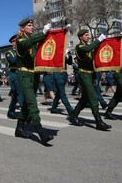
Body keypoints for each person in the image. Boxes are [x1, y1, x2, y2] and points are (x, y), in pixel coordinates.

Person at [14, 17, 53, 145]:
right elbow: (26, 45)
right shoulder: (19, 40)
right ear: (23, 28)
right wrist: (42, 33)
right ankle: (41, 132)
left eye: (32, 25)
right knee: (32, 102)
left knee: (26, 103)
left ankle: (19, 128)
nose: (32, 27)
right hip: (24, 74)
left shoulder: (33, 40)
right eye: (29, 25)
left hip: (34, 74)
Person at [68, 29, 112, 131]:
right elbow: (87, 49)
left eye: (88, 35)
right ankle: (98, 122)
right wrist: (99, 40)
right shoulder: (79, 47)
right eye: (86, 35)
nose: (88, 36)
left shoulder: (89, 47)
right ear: (80, 37)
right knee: (93, 96)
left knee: (85, 99)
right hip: (83, 74)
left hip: (90, 74)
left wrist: (95, 77)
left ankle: (74, 116)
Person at [51, 48, 75, 118]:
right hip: (58, 75)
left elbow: (69, 62)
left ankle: (53, 108)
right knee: (62, 94)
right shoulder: (55, 55)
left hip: (63, 75)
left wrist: (69, 55)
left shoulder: (63, 56)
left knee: (58, 93)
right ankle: (70, 111)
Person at [5, 34, 24, 119]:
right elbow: (13, 61)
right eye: (16, 41)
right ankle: (26, 113)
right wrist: (19, 51)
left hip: (22, 73)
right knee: (21, 93)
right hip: (14, 74)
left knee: (16, 96)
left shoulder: (22, 51)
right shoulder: (9, 53)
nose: (17, 43)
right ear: (12, 43)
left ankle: (10, 112)